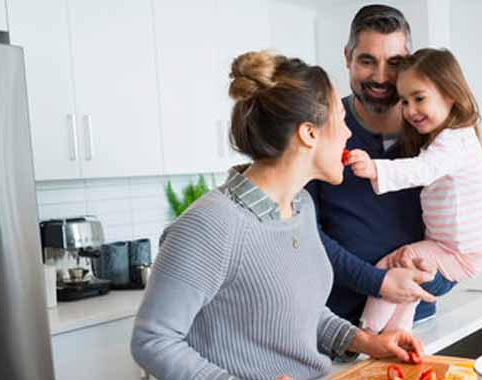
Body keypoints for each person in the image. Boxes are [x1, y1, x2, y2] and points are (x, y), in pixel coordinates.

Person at [130, 51, 425, 380]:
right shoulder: (210, 225)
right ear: (308, 133)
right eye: (340, 121)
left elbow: (303, 312)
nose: (346, 133)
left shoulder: (300, 207)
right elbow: (153, 340)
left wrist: (368, 342)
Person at [306, 4, 455, 328]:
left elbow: (465, 236)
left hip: (416, 324)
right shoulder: (321, 129)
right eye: (367, 61)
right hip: (336, 328)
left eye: (395, 63)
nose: (381, 76)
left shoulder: (438, 136)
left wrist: (431, 282)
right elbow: (305, 234)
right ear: (347, 57)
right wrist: (378, 282)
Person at [347, 48, 482, 333]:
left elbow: (423, 169)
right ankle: (397, 336)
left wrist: (375, 168)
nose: (410, 110)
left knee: (389, 265)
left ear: (450, 94)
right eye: (404, 101)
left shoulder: (454, 141)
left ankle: (365, 333)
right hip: (457, 249)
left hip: (458, 252)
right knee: (409, 280)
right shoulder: (449, 140)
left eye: (419, 98)